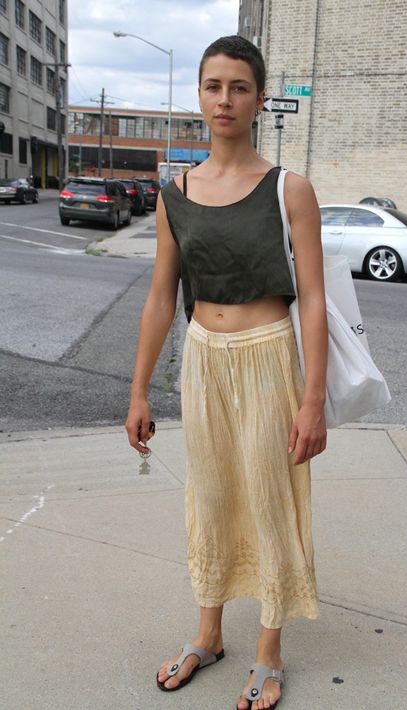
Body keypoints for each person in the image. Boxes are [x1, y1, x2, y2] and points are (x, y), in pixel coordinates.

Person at [125, 35, 328, 710]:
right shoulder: (174, 194)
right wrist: (139, 390)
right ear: (199, 95)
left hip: (270, 357)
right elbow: (160, 297)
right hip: (204, 360)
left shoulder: (289, 190)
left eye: (238, 87)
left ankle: (268, 652)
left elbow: (317, 299)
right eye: (213, 85)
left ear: (259, 99)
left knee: (270, 501)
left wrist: (314, 400)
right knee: (209, 498)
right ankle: (208, 634)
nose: (224, 99)